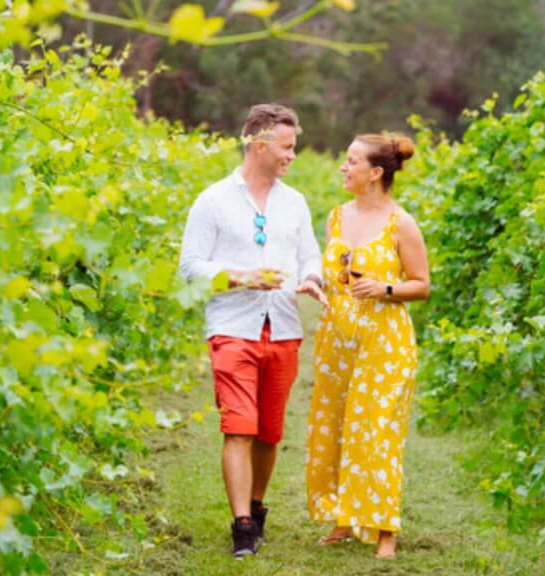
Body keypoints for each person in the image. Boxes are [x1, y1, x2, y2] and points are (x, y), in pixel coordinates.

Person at [179, 104, 325, 558]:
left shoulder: (295, 202)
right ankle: (242, 525)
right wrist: (241, 277)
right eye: (287, 147)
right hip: (232, 328)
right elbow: (190, 269)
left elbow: (310, 256)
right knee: (238, 428)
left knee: (268, 433)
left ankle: (257, 507)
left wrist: (313, 280)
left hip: (281, 328)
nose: (292, 156)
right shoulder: (213, 200)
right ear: (259, 145)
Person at [305, 133, 430, 559]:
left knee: (377, 430)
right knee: (337, 425)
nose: (343, 167)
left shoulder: (401, 222)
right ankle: (344, 516)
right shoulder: (337, 217)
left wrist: (387, 287)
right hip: (337, 339)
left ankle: (385, 528)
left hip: (384, 341)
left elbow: (422, 285)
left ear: (376, 173)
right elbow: (334, 271)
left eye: (351, 161)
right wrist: (317, 284)